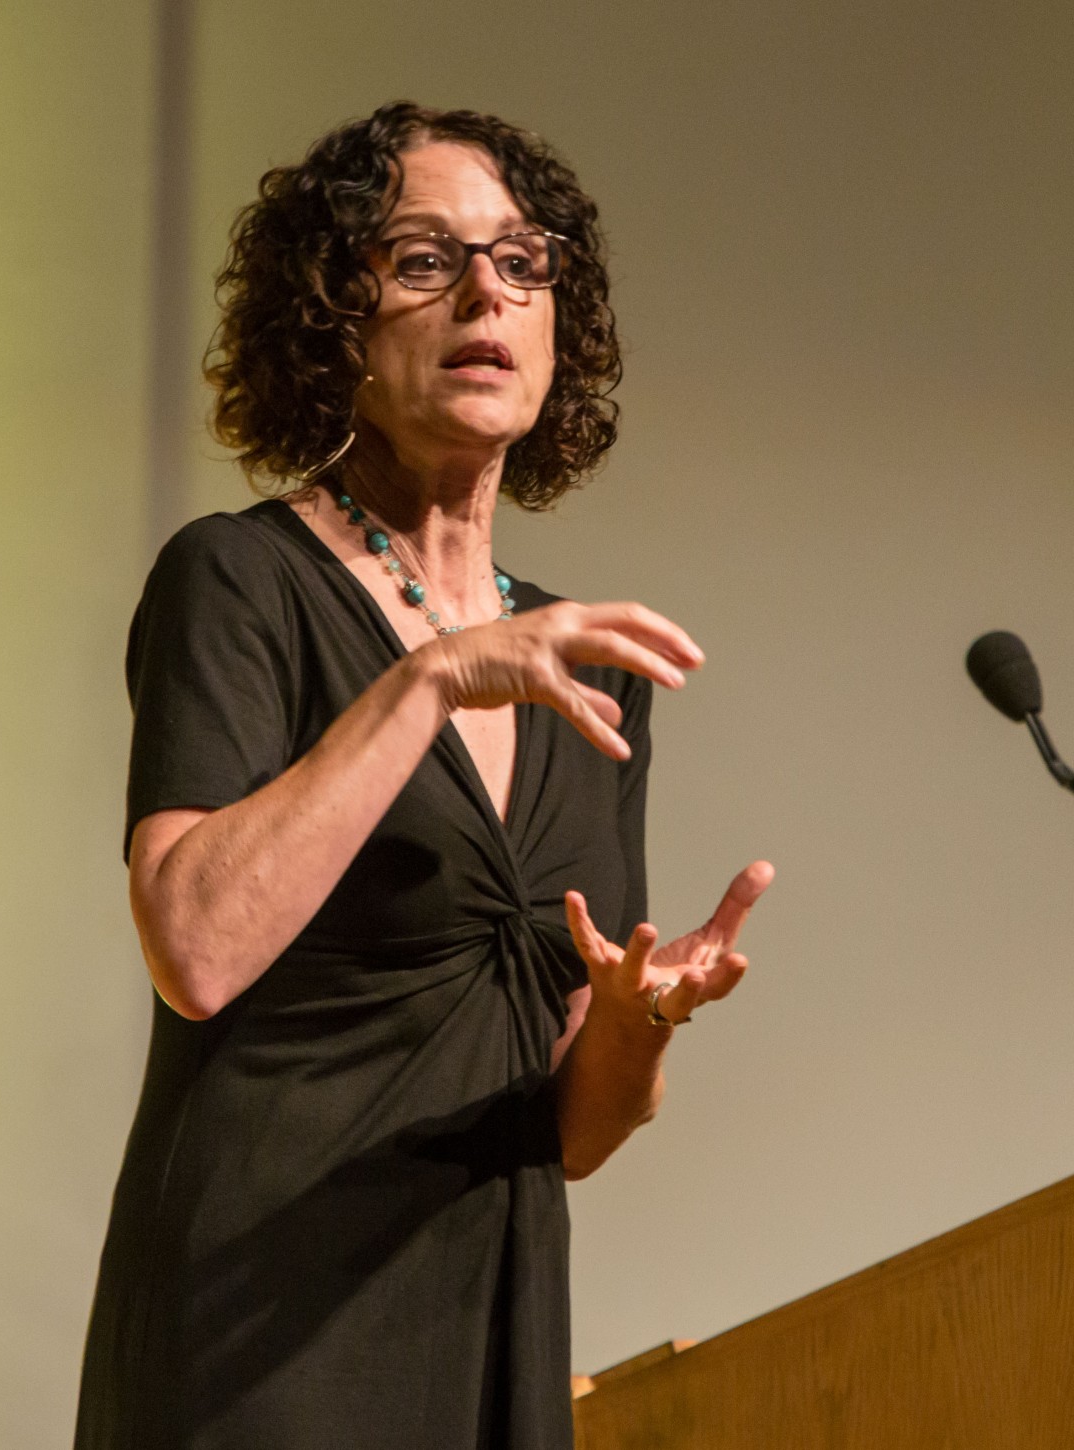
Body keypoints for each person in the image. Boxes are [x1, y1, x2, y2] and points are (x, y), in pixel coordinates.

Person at [73, 101, 774, 1450]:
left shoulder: (584, 663)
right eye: (422, 258)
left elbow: (571, 1123)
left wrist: (639, 1017)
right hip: (254, 1336)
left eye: (521, 260)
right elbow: (196, 943)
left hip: (485, 1323)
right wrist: (433, 678)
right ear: (333, 319)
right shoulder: (239, 583)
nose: (484, 294)